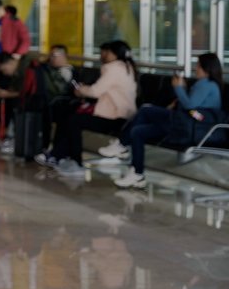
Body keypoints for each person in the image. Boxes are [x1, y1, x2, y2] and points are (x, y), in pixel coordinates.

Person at [110, 53, 224, 189]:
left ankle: (122, 144)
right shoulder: (209, 85)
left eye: (198, 66)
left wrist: (178, 87)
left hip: (190, 130)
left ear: (206, 68)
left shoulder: (206, 84)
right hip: (183, 127)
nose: (195, 68)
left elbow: (190, 105)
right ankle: (137, 173)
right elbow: (193, 107)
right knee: (137, 132)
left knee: (146, 110)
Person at [35, 40, 137, 178]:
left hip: (115, 118)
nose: (102, 55)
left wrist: (80, 90)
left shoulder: (114, 68)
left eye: (105, 52)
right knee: (70, 116)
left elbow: (96, 91)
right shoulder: (127, 67)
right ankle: (58, 155)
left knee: (74, 120)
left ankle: (74, 162)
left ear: (113, 54)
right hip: (123, 115)